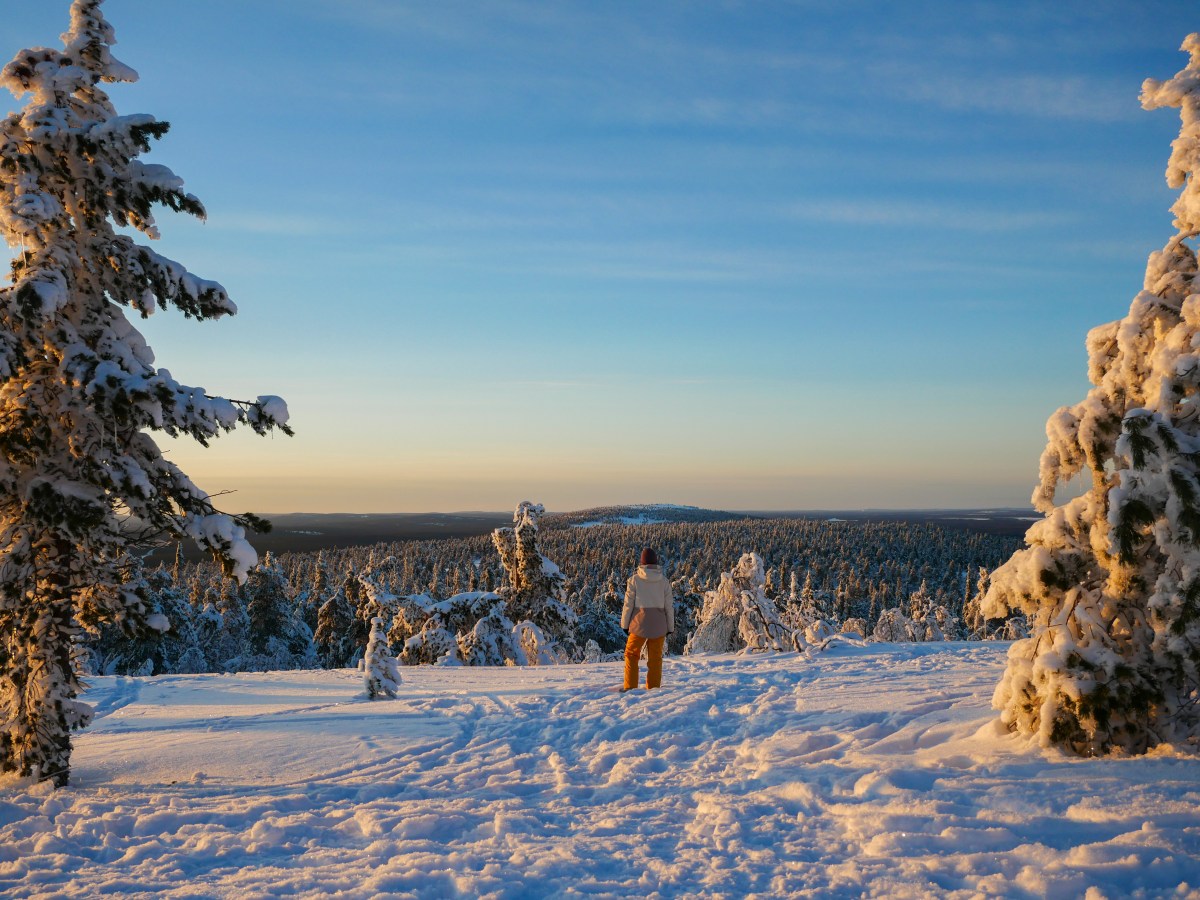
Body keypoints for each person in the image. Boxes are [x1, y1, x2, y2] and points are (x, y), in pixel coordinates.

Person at [620, 547, 675, 691]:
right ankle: (653, 689)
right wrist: (670, 627)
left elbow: (628, 605)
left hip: (638, 625)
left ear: (641, 563)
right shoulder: (664, 582)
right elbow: (669, 607)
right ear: (656, 563)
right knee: (655, 659)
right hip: (659, 626)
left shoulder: (634, 580)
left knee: (631, 654)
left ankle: (630, 687)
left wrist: (625, 625)